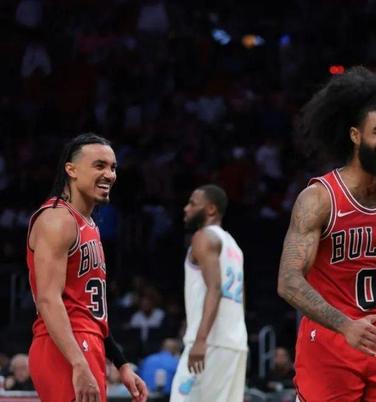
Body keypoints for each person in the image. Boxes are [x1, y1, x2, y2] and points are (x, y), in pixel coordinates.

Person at [277, 66, 376, 401]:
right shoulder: (319, 198)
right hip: (330, 339)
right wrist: (345, 325)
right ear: (354, 135)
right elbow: (289, 280)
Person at [26, 133, 148, 402]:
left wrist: (121, 363)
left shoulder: (89, 225)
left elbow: (91, 309)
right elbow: (48, 300)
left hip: (86, 343)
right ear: (71, 170)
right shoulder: (57, 219)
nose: (110, 175)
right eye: (99, 165)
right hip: (63, 346)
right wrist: (78, 362)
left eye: (113, 167)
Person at [170, 184, 248, 402]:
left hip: (211, 342)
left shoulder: (203, 236)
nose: (186, 208)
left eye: (193, 204)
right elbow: (242, 297)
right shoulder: (233, 246)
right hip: (235, 343)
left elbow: (215, 288)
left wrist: (200, 339)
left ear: (211, 209)